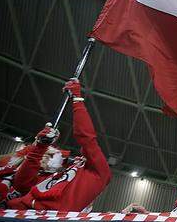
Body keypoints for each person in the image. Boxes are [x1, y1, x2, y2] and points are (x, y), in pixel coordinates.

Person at [7, 79, 111, 211]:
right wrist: (39, 147)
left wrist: (77, 100)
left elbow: (87, 138)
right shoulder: (55, 176)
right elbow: (21, 184)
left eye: (49, 155)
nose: (45, 157)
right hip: (18, 214)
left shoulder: (100, 172)